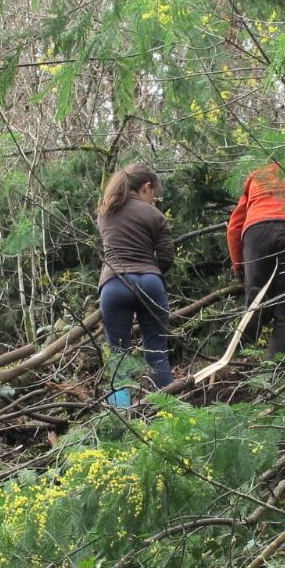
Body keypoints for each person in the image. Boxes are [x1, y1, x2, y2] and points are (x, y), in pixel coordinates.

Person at [226, 160, 285, 356]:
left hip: (255, 233)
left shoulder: (257, 174)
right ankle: (273, 376)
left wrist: (239, 266)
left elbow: (235, 226)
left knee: (255, 304)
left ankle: (237, 360)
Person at [96, 163, 174, 405]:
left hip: (114, 284)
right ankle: (170, 416)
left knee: (119, 357)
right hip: (150, 282)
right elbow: (167, 256)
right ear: (146, 187)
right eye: (154, 194)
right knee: (157, 353)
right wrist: (150, 274)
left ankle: (121, 422)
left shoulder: (105, 212)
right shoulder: (155, 215)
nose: (154, 199)